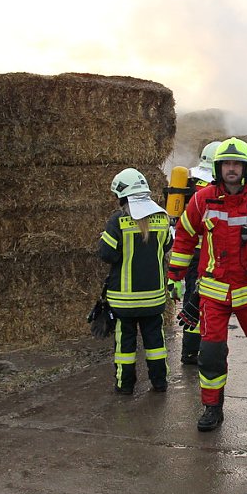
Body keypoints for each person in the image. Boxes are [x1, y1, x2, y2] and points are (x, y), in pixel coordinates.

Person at [167, 137, 247, 432]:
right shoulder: (202, 200)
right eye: (226, 163)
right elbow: (185, 238)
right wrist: (174, 276)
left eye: (236, 164)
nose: (231, 169)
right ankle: (213, 407)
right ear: (218, 167)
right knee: (211, 353)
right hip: (214, 292)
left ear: (246, 168)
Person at [98, 168, 172, 395]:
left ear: (122, 196)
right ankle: (159, 383)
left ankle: (125, 385)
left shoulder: (117, 220)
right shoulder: (162, 217)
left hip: (124, 299)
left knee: (125, 345)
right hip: (154, 297)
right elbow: (167, 246)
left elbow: (106, 254)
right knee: (156, 342)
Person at [176, 140, 222, 365]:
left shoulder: (187, 179)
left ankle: (192, 349)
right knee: (205, 301)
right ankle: (193, 351)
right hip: (209, 252)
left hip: (190, 250)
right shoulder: (216, 185)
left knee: (192, 297)